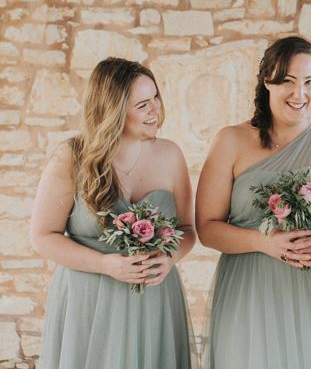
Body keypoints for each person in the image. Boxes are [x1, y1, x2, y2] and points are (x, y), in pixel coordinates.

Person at [196, 36, 311, 369]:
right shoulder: (231, 140)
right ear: (267, 81)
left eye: (309, 82)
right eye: (288, 81)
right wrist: (264, 243)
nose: (299, 94)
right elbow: (206, 227)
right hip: (251, 292)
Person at [30, 57, 196, 369]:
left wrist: (169, 259)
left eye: (156, 98)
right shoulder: (72, 156)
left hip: (153, 302)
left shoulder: (171, 155)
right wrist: (105, 264)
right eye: (142, 104)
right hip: (88, 303)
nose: (155, 110)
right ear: (114, 111)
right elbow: (42, 237)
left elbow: (188, 229)